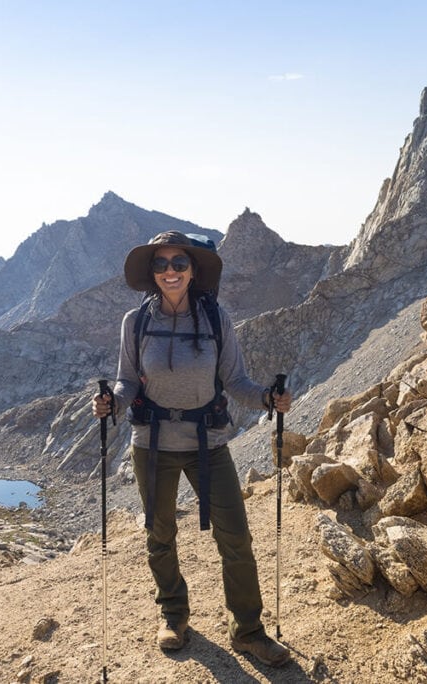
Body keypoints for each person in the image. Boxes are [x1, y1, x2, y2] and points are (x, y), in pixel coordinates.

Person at [91, 230, 292, 667]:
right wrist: (112, 404)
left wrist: (265, 399)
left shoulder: (217, 318)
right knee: (159, 534)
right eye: (161, 264)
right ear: (152, 273)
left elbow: (236, 381)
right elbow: (126, 381)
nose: (170, 272)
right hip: (152, 443)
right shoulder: (136, 322)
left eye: (179, 263)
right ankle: (174, 616)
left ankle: (248, 630)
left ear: (193, 270)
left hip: (209, 444)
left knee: (235, 535)